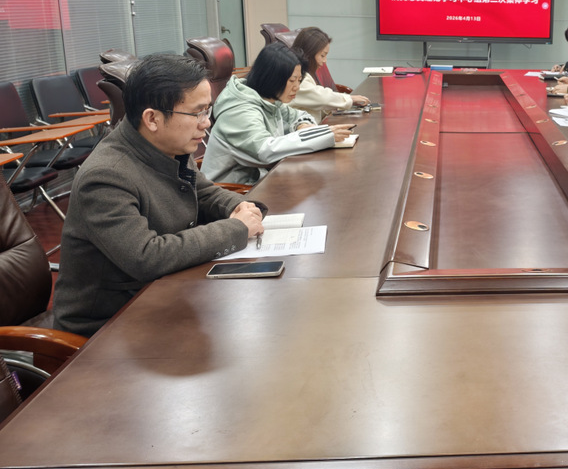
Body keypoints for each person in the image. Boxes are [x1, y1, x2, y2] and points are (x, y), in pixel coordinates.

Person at [52, 54, 266, 337]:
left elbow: (203, 192)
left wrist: (241, 207)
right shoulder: (106, 176)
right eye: (197, 113)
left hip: (165, 296)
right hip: (109, 327)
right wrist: (236, 228)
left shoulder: (167, 145)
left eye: (207, 111)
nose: (206, 123)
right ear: (152, 119)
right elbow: (147, 257)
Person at [201, 43, 354, 185]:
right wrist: (320, 135)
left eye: (299, 80)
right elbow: (265, 151)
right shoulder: (239, 110)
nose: (297, 87)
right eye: (292, 81)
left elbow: (297, 115)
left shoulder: (269, 100)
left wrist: (303, 125)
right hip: (233, 191)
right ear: (272, 78)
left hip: (262, 180)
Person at [290, 27, 369, 120]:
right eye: (322, 55)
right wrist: (349, 99)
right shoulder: (295, 78)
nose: (324, 61)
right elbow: (321, 97)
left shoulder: (302, 72)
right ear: (309, 53)